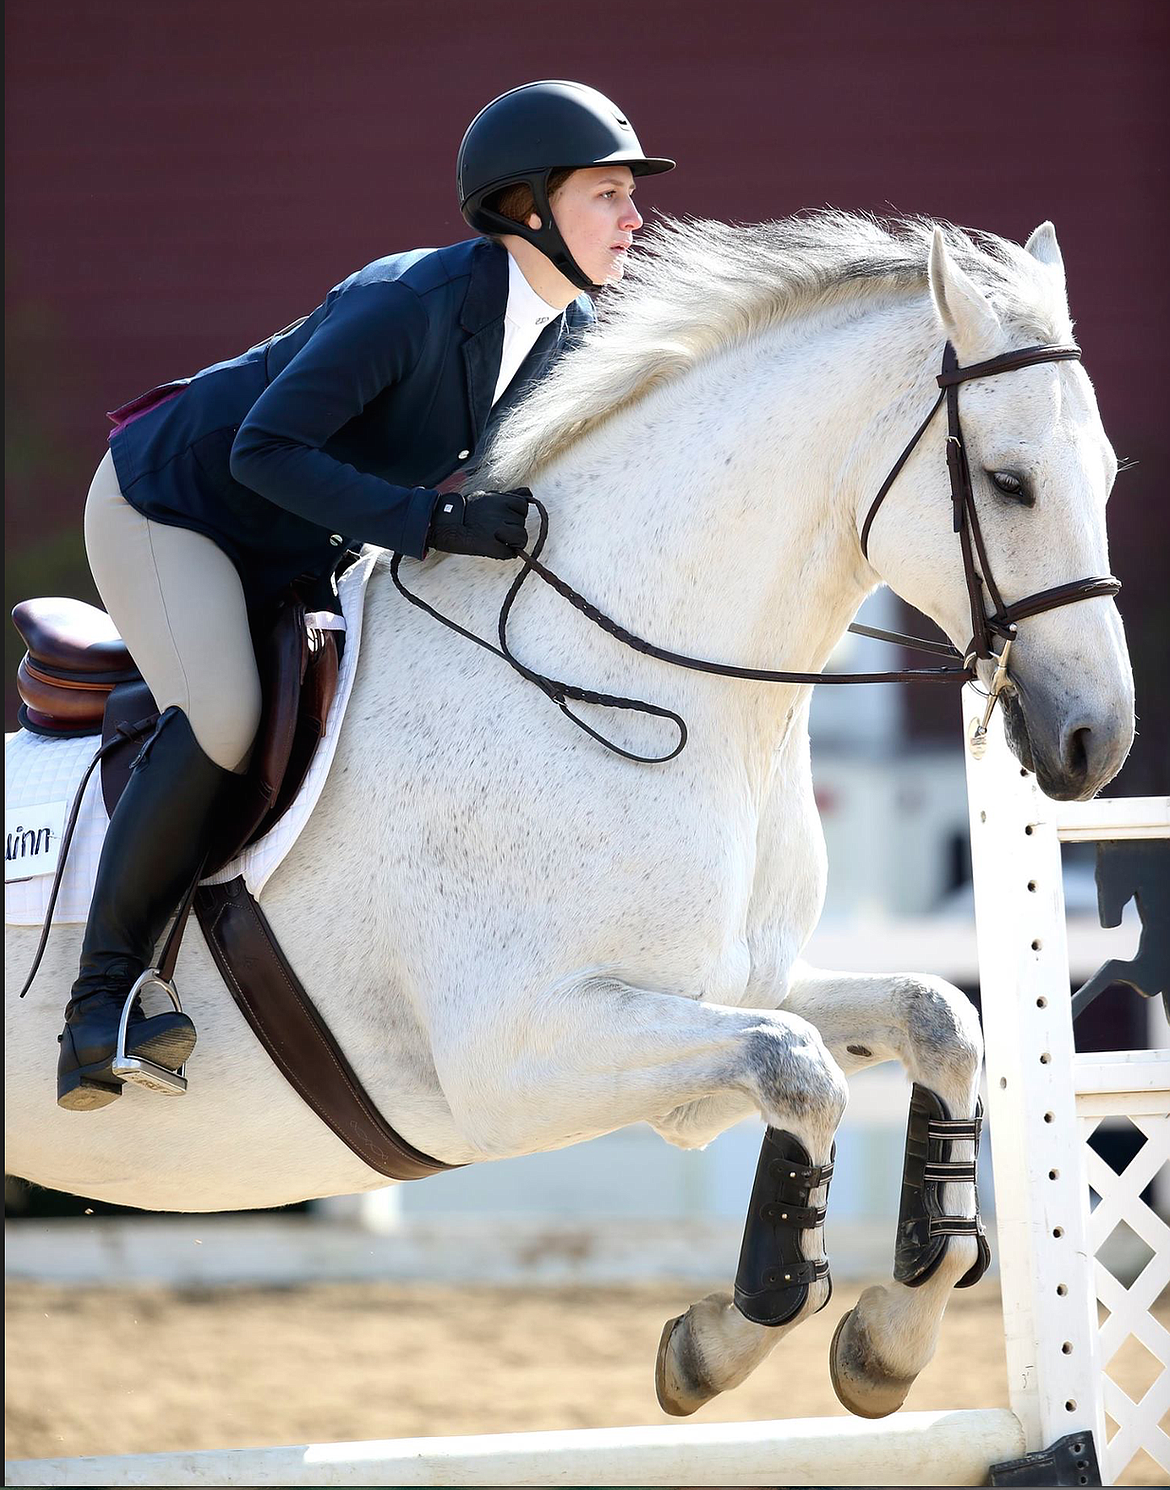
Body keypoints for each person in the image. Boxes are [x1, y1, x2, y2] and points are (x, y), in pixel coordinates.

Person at [56, 79, 674, 1111]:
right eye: (608, 193)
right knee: (226, 714)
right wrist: (432, 526)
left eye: (629, 196)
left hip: (304, 534)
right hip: (176, 507)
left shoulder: (570, 335)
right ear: (526, 208)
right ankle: (99, 1005)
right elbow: (264, 450)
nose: (635, 217)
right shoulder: (409, 305)